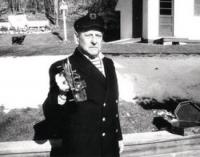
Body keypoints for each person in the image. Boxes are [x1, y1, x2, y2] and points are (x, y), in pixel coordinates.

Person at [42, 12, 124, 157]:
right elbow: (50, 109)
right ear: (76, 38)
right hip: (82, 148)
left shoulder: (108, 64)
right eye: (88, 35)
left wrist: (118, 137)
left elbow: (111, 104)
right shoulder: (64, 67)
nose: (94, 41)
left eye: (98, 36)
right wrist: (60, 94)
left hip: (109, 147)